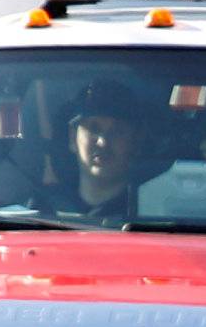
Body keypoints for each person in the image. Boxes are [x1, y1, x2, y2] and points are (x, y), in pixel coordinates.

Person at [30, 78, 155, 222]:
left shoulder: (154, 213)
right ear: (72, 138)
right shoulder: (40, 211)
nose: (102, 142)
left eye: (117, 131)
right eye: (93, 128)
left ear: (135, 142)